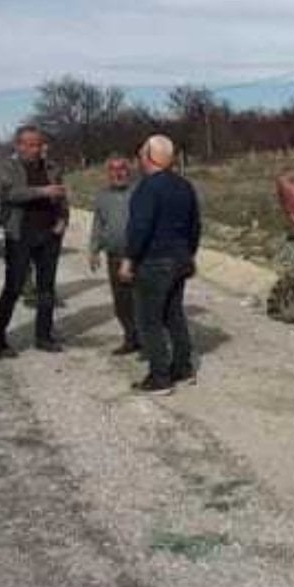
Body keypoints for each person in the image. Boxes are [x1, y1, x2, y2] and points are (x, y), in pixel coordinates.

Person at [120, 135, 202, 395]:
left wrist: (128, 259)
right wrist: (188, 254)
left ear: (149, 157)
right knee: (174, 315)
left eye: (141, 152)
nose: (138, 158)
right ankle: (183, 368)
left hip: (154, 262)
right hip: (180, 260)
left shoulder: (147, 188)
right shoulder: (184, 186)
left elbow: (140, 227)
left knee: (149, 321)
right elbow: (195, 226)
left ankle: (159, 378)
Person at [0, 126, 69, 357]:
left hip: (49, 235)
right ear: (19, 145)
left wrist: (63, 219)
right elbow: (10, 193)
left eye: (39, 144)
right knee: (13, 288)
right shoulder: (9, 167)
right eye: (31, 144)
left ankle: (44, 336)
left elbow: (62, 197)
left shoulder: (52, 168)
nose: (37, 149)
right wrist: (42, 191)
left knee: (46, 289)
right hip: (20, 235)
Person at [89, 155, 139, 356]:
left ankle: (148, 341)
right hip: (114, 256)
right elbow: (98, 224)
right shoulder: (102, 196)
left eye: (122, 168)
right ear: (108, 173)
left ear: (129, 171)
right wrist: (94, 249)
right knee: (121, 303)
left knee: (141, 301)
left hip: (138, 256)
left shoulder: (139, 192)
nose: (118, 173)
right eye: (113, 169)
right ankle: (131, 338)